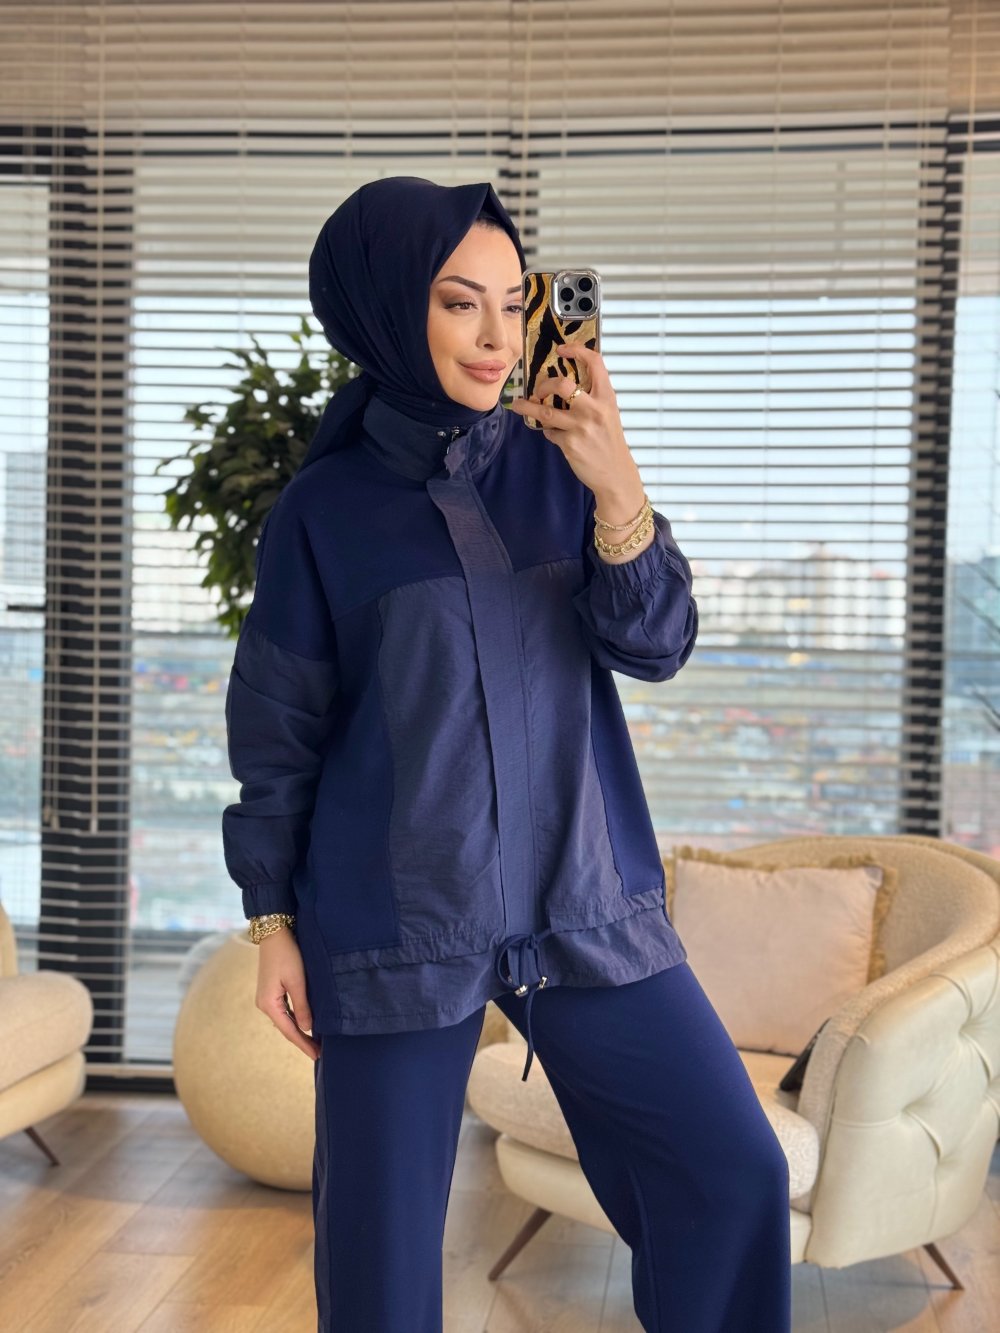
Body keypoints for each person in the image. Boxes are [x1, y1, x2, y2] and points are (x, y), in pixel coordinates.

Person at [222, 176, 791, 1333]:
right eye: (457, 302)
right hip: (397, 924)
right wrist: (272, 921)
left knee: (732, 1173)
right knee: (380, 1264)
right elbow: (278, 731)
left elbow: (655, 646)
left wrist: (615, 481)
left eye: (509, 300)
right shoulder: (323, 515)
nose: (495, 336)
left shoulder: (558, 467)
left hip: (583, 905)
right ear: (389, 310)